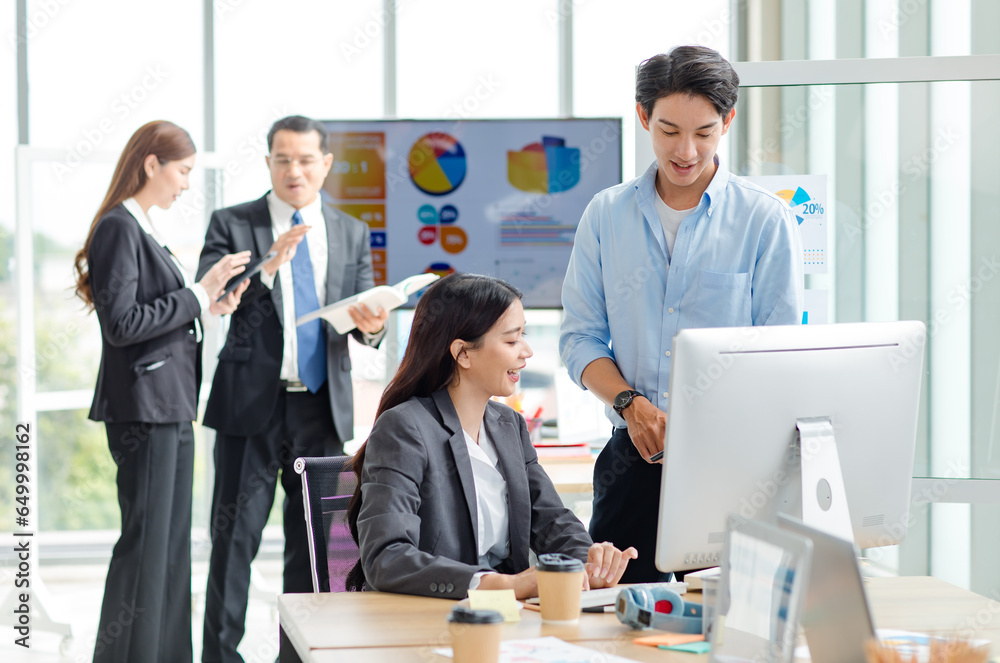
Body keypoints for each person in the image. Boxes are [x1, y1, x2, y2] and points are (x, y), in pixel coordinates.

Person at [559, 46, 804, 583]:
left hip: (733, 464)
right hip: (631, 455)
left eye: (704, 132)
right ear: (644, 116)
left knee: (729, 621)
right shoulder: (606, 215)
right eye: (669, 131)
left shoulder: (765, 220)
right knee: (617, 612)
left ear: (728, 122)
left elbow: (779, 352)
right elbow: (580, 339)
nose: (686, 151)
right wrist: (631, 404)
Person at [197, 115, 388, 663]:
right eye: (282, 160)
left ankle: (298, 657)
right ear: (268, 164)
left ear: (325, 164)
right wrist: (267, 266)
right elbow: (214, 295)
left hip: (320, 411)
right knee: (234, 545)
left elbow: (366, 323)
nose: (294, 170)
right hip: (248, 410)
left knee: (314, 550)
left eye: (306, 160)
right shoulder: (233, 223)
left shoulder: (350, 230)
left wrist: (373, 323)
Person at [74, 120, 251, 663]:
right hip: (144, 409)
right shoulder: (118, 228)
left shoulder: (143, 229)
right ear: (151, 163)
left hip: (170, 405)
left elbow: (158, 315)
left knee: (170, 548)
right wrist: (199, 293)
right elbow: (122, 323)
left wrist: (209, 303)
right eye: (183, 171)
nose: (186, 183)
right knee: (147, 545)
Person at [347, 273, 637, 599]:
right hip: (434, 616)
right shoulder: (404, 428)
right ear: (463, 354)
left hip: (507, 618)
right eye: (512, 341)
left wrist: (588, 562)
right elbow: (387, 558)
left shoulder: (508, 425)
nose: (526, 351)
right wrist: (503, 585)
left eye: (523, 337)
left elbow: (552, 522)